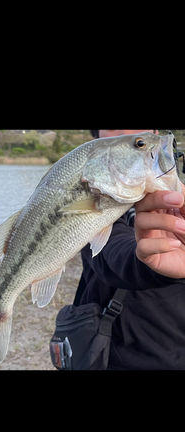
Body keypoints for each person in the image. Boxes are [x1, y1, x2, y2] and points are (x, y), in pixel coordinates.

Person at [74, 129, 185, 370]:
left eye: (141, 140)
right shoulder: (87, 184)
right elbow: (111, 254)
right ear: (98, 139)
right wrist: (150, 258)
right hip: (104, 353)